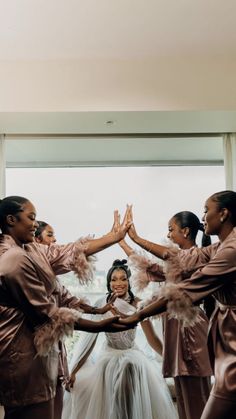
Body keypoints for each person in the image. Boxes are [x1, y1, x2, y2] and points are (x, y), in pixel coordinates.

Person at [0, 196, 131, 419]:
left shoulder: (32, 250)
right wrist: (98, 325)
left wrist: (113, 237)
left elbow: (71, 251)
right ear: (11, 219)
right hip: (21, 353)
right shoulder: (12, 259)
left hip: (42, 354)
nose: (35, 223)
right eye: (31, 218)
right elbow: (47, 313)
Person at [119, 191, 236, 419]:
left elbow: (186, 289)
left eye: (206, 210)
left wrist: (138, 315)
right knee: (189, 401)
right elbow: (172, 260)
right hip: (211, 332)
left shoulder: (229, 250)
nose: (203, 217)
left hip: (202, 331)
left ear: (223, 214)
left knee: (205, 403)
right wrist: (130, 239)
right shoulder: (217, 248)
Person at [62, 259, 177, 419]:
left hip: (132, 353)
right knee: (120, 368)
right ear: (108, 283)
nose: (119, 283)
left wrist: (171, 360)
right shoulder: (101, 303)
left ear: (129, 282)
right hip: (109, 356)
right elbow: (90, 340)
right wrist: (73, 371)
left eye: (123, 278)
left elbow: (152, 339)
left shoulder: (139, 304)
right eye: (114, 279)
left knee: (129, 365)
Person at [34, 220, 119, 419]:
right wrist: (112, 238)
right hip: (37, 346)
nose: (55, 239)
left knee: (56, 398)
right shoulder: (30, 267)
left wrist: (98, 310)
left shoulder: (51, 277)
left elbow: (69, 299)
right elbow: (74, 251)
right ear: (37, 240)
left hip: (54, 346)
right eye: (49, 235)